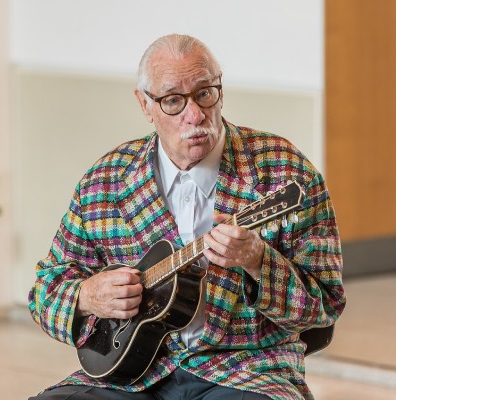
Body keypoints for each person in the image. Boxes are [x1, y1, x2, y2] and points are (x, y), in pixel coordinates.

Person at [27, 33, 346, 400]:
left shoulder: (284, 171)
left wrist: (259, 262)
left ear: (221, 91)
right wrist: (85, 295)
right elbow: (44, 293)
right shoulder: (106, 181)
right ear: (145, 105)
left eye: (205, 93)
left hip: (245, 370)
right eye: (173, 101)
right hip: (130, 375)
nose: (194, 115)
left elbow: (326, 305)